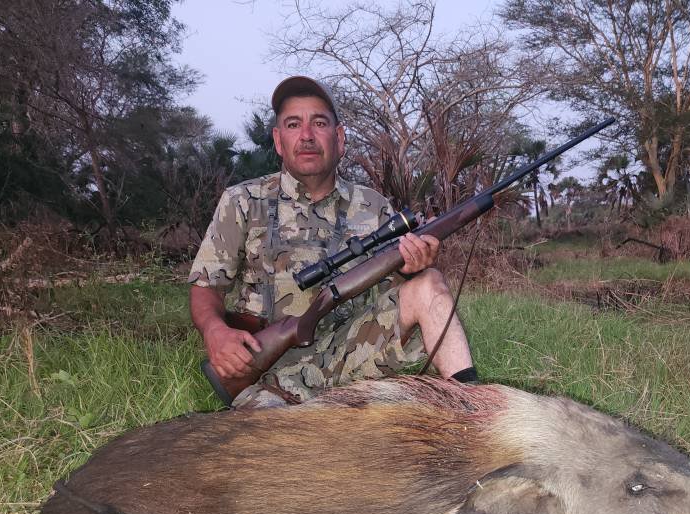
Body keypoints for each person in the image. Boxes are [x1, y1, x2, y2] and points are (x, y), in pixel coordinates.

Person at [189, 76, 477, 408]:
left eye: (320, 123)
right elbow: (205, 286)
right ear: (278, 141)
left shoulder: (374, 205)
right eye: (293, 124)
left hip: (352, 355)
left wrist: (413, 268)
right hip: (266, 374)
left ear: (339, 139)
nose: (307, 135)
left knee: (430, 284)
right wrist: (215, 332)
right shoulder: (242, 201)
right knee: (283, 448)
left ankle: (472, 410)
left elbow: (392, 293)